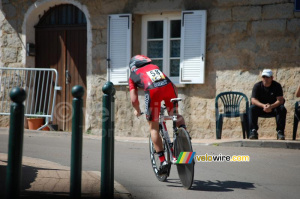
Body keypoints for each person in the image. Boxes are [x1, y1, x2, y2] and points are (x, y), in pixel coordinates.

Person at [128, 55, 186, 175]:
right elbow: (170, 83)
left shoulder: (133, 75)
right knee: (174, 115)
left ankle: (163, 161)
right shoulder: (154, 67)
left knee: (153, 127)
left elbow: (134, 100)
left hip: (153, 92)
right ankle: (184, 135)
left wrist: (137, 110)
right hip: (169, 87)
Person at [249, 69, 286, 140]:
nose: (265, 79)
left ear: (272, 78)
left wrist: (271, 106)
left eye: (267, 77)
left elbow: (280, 100)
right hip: (261, 108)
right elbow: (253, 100)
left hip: (273, 108)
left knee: (282, 108)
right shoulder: (257, 86)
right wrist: (263, 106)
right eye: (264, 77)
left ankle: (280, 131)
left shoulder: (277, 86)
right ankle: (253, 131)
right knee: (252, 108)